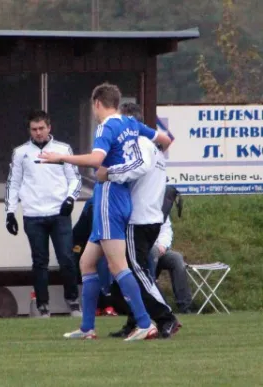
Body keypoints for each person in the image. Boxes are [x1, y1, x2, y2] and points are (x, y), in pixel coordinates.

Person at [38, 83, 172, 341]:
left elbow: (96, 160)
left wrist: (61, 158)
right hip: (115, 197)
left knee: (117, 265)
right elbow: (163, 140)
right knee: (86, 263)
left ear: (97, 103)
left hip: (110, 197)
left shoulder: (106, 126)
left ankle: (145, 323)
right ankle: (88, 328)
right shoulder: (131, 124)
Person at [97, 102, 180, 339]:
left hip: (140, 218)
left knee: (137, 273)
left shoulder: (141, 144)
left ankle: (166, 317)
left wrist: (110, 172)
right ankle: (135, 320)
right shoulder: (152, 146)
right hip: (149, 216)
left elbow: (139, 167)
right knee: (132, 272)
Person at [5, 110, 82, 317]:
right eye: (34, 129)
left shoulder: (63, 149)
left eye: (41, 128)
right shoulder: (20, 152)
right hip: (33, 214)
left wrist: (70, 199)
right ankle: (42, 305)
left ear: (49, 127)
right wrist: (10, 212)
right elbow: (14, 182)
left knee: (66, 257)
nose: (38, 133)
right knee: (40, 261)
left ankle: (73, 301)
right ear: (29, 130)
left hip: (59, 213)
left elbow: (75, 178)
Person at [148, 218, 194, 313]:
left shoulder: (162, 208)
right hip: (144, 250)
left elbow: (166, 230)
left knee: (176, 258)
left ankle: (185, 305)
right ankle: (153, 302)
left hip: (161, 249)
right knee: (153, 252)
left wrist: (162, 245)